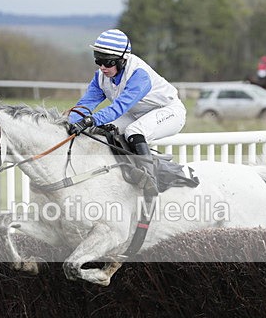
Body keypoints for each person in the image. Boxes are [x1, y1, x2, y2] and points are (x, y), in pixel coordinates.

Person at [67, 29, 186, 196]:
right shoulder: (100, 77)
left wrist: (90, 120)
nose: (102, 68)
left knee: (134, 131)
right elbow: (85, 105)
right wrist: (68, 122)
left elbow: (118, 108)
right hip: (135, 113)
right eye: (98, 61)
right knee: (105, 129)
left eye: (108, 62)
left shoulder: (139, 75)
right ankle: (121, 173)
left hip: (168, 111)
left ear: (123, 60)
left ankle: (150, 180)